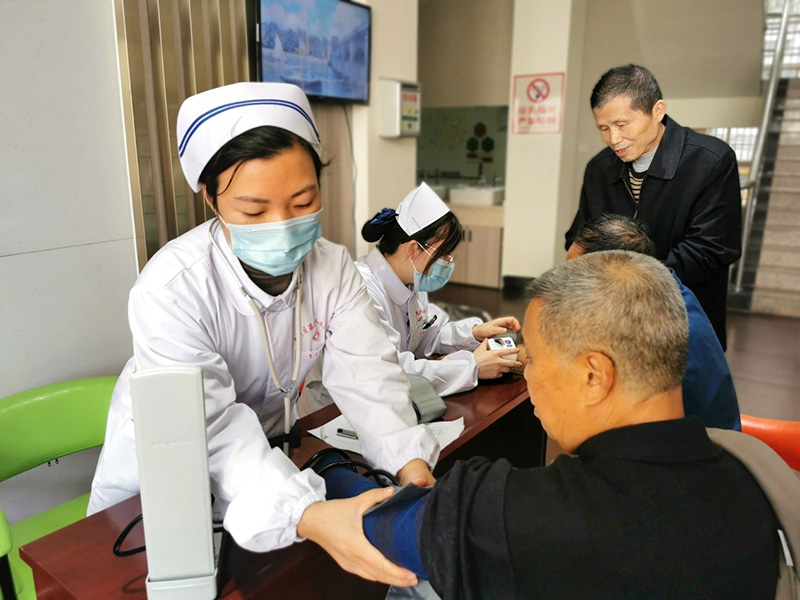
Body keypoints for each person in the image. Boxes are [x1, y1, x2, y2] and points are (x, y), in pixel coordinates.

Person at [88, 82, 438, 587]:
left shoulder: (332, 269)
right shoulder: (172, 288)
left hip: (268, 480)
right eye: (254, 210)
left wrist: (408, 461)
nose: (281, 224)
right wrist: (307, 514)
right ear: (210, 199)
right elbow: (212, 430)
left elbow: (368, 376)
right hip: (157, 498)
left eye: (303, 201)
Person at [315, 251, 779, 598]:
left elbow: (389, 526)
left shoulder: (530, 518)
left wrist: (326, 471)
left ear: (594, 375)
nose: (527, 373)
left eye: (532, 358)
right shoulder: (750, 479)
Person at [299, 183, 521, 414]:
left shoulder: (412, 282)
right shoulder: (360, 288)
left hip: (381, 405)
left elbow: (426, 336)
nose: (448, 264)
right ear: (414, 248)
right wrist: (471, 367)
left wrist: (473, 333)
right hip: (332, 412)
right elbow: (388, 369)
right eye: (443, 255)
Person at [565, 64, 742, 349]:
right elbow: (582, 236)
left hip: (682, 322)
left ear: (657, 111)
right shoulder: (599, 168)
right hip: (612, 322)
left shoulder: (710, 161)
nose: (613, 139)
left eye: (622, 125)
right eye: (604, 128)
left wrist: (628, 286)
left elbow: (711, 249)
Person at [567, 214, 741, 430]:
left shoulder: (648, 327)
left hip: (692, 451)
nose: (568, 284)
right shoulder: (665, 289)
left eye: (575, 274)